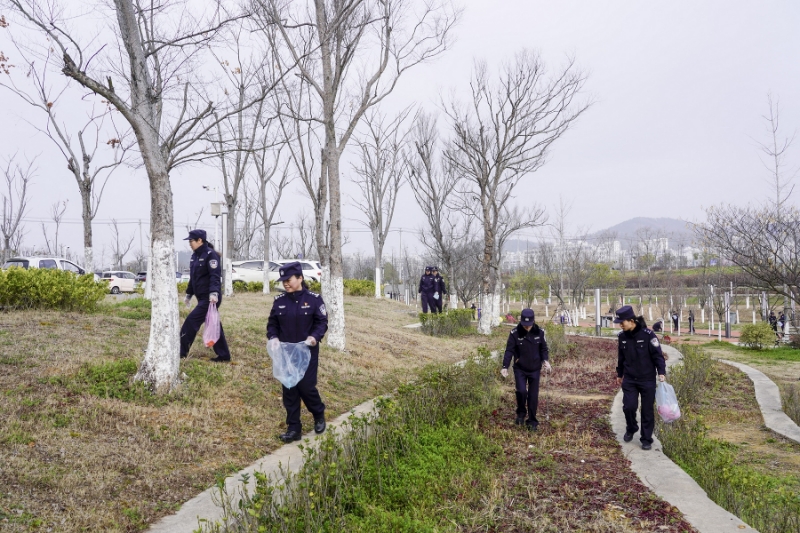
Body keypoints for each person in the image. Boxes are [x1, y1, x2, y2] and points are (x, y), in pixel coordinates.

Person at [267, 261, 329, 443]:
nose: (286, 283)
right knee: (289, 389)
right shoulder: (279, 301)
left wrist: (314, 337)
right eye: (283, 281)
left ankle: (318, 413)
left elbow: (322, 322)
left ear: (300, 278)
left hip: (306, 351)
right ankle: (294, 428)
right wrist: (273, 337)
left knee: (306, 387)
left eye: (289, 280)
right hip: (286, 352)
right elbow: (272, 323)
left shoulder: (314, 299)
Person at [614, 305, 666, 451]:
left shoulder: (648, 335)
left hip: (647, 379)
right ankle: (631, 427)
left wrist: (661, 372)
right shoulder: (622, 337)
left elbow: (658, 355)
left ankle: (646, 439)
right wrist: (620, 374)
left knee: (647, 410)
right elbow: (621, 357)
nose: (620, 325)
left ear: (631, 321)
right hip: (630, 379)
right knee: (628, 406)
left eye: (622, 322)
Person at [180, 229, 231, 362]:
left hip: (210, 298)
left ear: (200, 240)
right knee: (214, 324)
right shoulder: (194, 256)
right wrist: (189, 294)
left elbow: (215, 276)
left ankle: (180, 352)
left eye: (191, 241)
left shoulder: (210, 255)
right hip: (202, 297)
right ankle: (224, 355)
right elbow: (193, 278)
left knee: (191, 322)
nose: (189, 243)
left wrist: (214, 293)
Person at [501, 309, 552, 431]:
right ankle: (521, 412)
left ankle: (532, 421)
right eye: (525, 324)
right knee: (522, 391)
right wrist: (505, 366)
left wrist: (545, 361)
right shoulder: (514, 333)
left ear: (533, 321)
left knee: (533, 396)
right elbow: (509, 350)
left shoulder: (540, 332)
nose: (527, 327)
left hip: (535, 369)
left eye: (529, 325)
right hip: (520, 369)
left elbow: (543, 349)